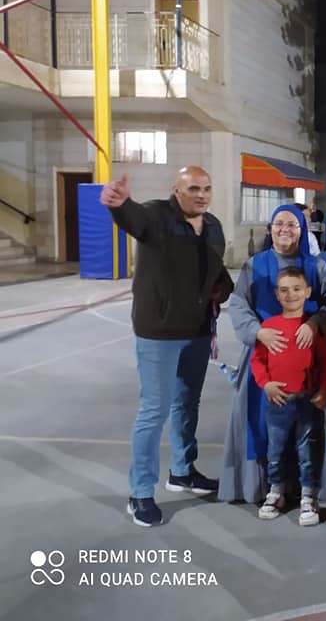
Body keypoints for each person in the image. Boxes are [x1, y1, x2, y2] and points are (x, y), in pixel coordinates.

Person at [100, 167, 233, 527]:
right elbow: (135, 220)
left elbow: (213, 269)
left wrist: (223, 287)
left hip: (198, 331)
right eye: (193, 188)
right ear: (176, 190)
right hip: (158, 333)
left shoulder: (214, 226)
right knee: (154, 411)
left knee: (187, 403)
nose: (201, 195)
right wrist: (119, 205)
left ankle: (182, 471)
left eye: (206, 188)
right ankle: (140, 493)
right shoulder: (157, 215)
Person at [219, 204, 326, 505]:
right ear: (270, 229)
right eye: (278, 224)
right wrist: (258, 332)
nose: (284, 229)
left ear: (302, 230)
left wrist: (315, 322)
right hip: (265, 358)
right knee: (261, 424)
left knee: (306, 429)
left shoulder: (317, 267)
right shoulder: (254, 265)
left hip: (306, 362)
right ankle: (267, 488)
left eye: (292, 224)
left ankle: (306, 489)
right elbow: (238, 304)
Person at [251, 267, 326, 526]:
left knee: (308, 451)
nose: (291, 294)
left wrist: (323, 390)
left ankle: (309, 497)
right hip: (278, 402)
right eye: (284, 290)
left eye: (297, 289)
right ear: (276, 294)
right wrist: (266, 385)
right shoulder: (268, 327)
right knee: (275, 450)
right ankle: (276, 492)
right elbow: (257, 361)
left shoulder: (312, 329)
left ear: (308, 292)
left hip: (308, 401)